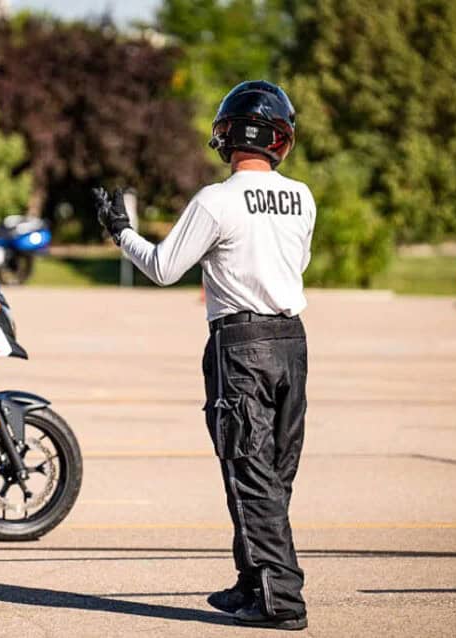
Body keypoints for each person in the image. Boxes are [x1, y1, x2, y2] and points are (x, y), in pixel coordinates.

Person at [95, 80, 314, 631]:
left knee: (249, 471)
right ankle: (252, 582)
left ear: (228, 134)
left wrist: (121, 232)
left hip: (240, 345)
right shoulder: (302, 198)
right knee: (274, 472)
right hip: (292, 343)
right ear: (280, 140)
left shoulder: (216, 200)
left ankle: (279, 597)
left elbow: (165, 268)